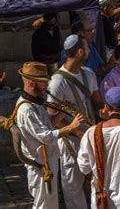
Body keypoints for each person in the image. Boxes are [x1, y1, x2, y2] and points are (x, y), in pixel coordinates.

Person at [6, 61, 84, 208]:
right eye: (43, 83)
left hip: (48, 162)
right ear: (31, 83)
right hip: (40, 166)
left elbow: (49, 122)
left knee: (50, 204)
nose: (46, 86)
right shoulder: (26, 110)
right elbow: (46, 136)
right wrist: (70, 127)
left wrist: (62, 112)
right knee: (44, 205)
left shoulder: (35, 103)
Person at [47, 34, 103, 209]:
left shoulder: (88, 74)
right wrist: (78, 132)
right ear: (80, 52)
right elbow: (53, 119)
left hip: (91, 135)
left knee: (97, 183)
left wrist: (107, 112)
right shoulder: (57, 81)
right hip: (70, 141)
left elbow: (97, 102)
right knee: (73, 187)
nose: (88, 50)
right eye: (86, 47)